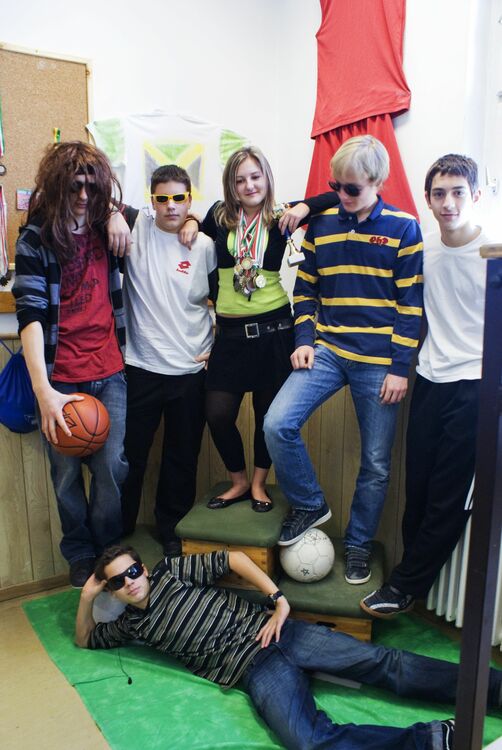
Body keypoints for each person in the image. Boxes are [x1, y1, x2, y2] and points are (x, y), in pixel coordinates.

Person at [75, 544, 502, 749]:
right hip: (255, 669)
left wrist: (278, 600)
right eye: (118, 580)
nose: (130, 581)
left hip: (281, 632)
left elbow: (234, 559)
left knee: (383, 663)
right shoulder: (131, 625)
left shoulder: (172, 572)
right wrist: (87, 596)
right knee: (305, 740)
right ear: (112, 589)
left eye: (133, 570)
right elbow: (85, 639)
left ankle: (494, 689)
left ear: (145, 568)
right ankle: (431, 741)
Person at [264, 135, 424, 585]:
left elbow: (411, 305)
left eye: (352, 188)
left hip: (379, 362)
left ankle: (357, 546)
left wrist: (399, 368)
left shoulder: (405, 228)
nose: (342, 195)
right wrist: (304, 339)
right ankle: (310, 503)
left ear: (377, 182)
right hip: (329, 351)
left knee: (375, 464)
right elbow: (305, 290)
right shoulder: (322, 224)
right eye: (336, 186)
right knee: (277, 424)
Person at [361, 154, 488, 618]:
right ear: (428, 200)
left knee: (448, 496)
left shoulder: (494, 251)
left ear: (475, 196)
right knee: (416, 489)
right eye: (439, 194)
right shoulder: (422, 249)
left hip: (477, 386)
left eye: (458, 193)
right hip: (430, 378)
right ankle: (411, 586)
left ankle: (404, 585)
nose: (448, 203)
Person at [182, 146, 335, 513]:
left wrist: (304, 207)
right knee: (218, 413)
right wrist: (189, 221)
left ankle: (258, 483)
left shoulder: (281, 216)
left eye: (255, 176)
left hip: (274, 331)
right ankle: (237, 481)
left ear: (267, 178)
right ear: (231, 185)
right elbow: (194, 228)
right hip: (230, 337)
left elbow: (333, 196)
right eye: (240, 180)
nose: (249, 185)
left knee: (267, 417)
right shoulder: (218, 216)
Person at [13, 141, 135, 588]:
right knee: (65, 476)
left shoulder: (108, 224)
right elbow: (30, 317)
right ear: (56, 185)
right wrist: (44, 392)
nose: (84, 196)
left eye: (92, 187)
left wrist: (118, 212)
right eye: (74, 186)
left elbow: (181, 214)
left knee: (112, 468)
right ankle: (81, 553)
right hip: (60, 380)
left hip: (110, 372)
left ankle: (109, 551)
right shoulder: (35, 240)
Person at [120, 164, 217, 557]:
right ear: (152, 200)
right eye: (162, 198)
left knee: (182, 457)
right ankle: (118, 529)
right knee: (128, 456)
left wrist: (220, 346)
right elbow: (100, 198)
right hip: (140, 366)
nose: (171, 206)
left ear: (190, 199)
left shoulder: (205, 244)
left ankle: (171, 529)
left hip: (191, 369)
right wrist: (112, 216)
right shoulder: (133, 230)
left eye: (179, 198)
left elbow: (226, 300)